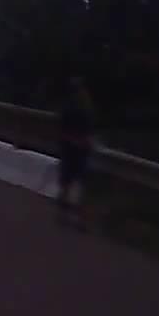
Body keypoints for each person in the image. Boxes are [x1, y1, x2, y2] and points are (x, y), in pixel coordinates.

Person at [57, 74, 95, 230]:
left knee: (70, 180)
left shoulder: (70, 107)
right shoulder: (82, 107)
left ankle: (67, 214)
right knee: (78, 181)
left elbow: (61, 127)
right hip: (77, 148)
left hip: (72, 146)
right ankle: (74, 216)